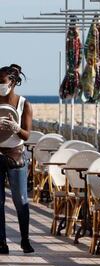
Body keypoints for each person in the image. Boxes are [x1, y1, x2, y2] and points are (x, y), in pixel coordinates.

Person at [0, 64, 34, 254]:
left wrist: (15, 127)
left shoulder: (23, 104)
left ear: (12, 82)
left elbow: (27, 135)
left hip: (16, 155)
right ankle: (1, 242)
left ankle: (24, 239)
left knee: (20, 200)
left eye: (2, 82)